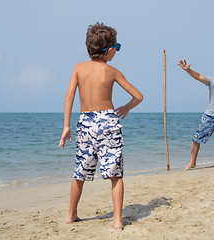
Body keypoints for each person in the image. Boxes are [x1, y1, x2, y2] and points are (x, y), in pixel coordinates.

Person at [59, 23, 143, 230]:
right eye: (117, 47)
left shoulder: (78, 68)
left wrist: (66, 126)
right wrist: (127, 107)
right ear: (109, 50)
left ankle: (71, 215)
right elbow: (138, 96)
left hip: (85, 122)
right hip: (108, 121)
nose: (117, 51)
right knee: (115, 173)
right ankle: (117, 220)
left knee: (80, 170)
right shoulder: (112, 71)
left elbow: (69, 96)